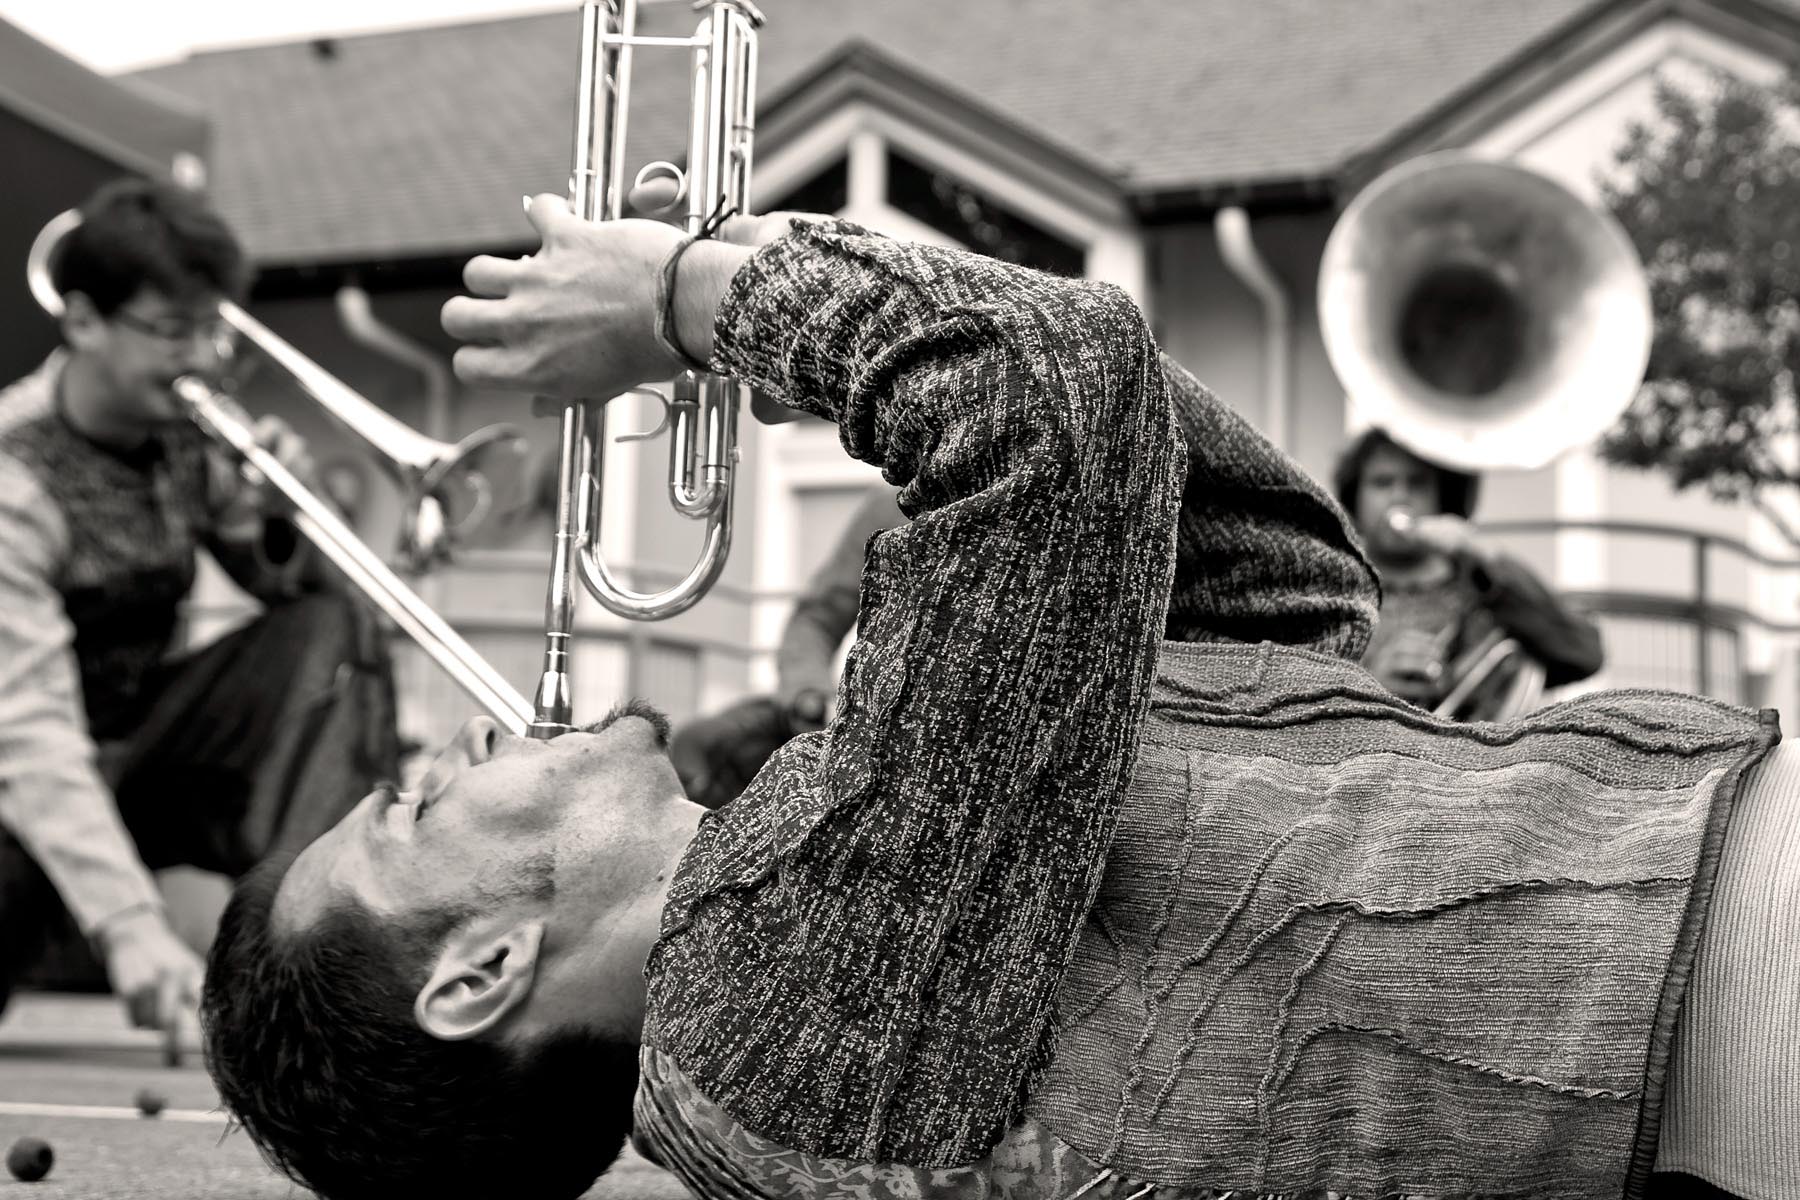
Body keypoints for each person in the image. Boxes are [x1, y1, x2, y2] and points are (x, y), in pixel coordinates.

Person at [199, 201, 1795, 1200]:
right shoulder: (771, 1011)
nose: (460, 745)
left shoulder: (796, 936)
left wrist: (857, 288)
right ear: (479, 973)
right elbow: (1051, 406)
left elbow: (1283, 599)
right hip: (1746, 963)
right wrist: (702, 300)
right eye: (414, 808)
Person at [0, 177, 399, 1039]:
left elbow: (302, 604)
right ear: (81, 321)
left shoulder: (185, 438)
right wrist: (132, 927)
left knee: (330, 632)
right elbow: (26, 733)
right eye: (170, 330)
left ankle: (327, 960)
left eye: (207, 328)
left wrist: (287, 520)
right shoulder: (13, 474)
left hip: (139, 752)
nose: (198, 357)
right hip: (24, 786)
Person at [1331, 427, 1604, 718]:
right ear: (1355, 500)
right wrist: (1367, 684)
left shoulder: (1482, 587)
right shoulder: (1334, 592)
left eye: (1417, 483)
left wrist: (1479, 551)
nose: (1400, 496)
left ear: (1442, 496)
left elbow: (1584, 653)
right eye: (1382, 483)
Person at [671, 482, 905, 809]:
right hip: (860, 729)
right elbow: (814, 622)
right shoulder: (891, 507)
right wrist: (809, 693)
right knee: (707, 743)